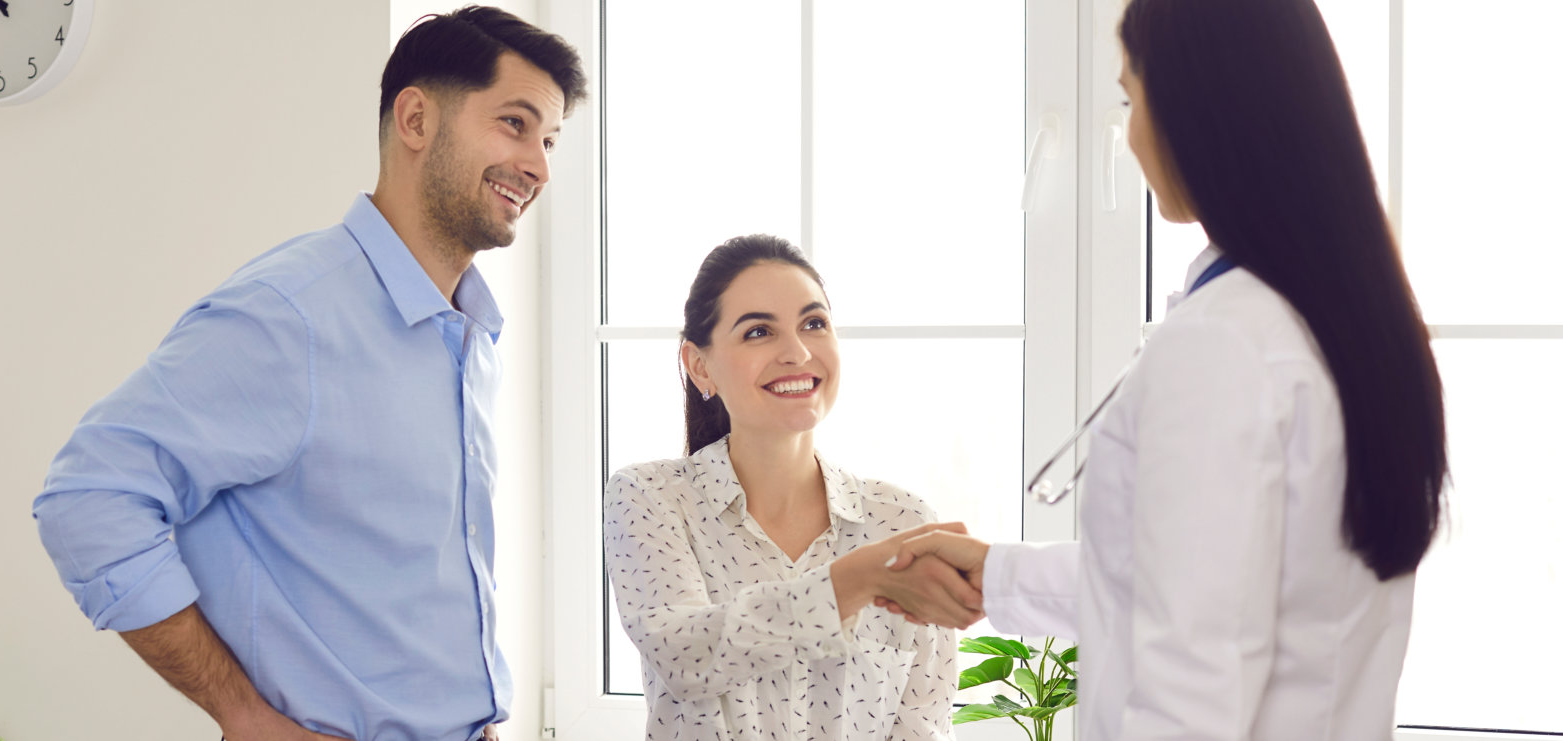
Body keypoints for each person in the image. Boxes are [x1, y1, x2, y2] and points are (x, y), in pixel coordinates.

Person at [884, 1, 1449, 739]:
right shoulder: (1343, 320)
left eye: (1130, 97)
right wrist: (994, 575)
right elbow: (1201, 589)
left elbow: (1188, 686)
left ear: (1199, 109)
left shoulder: (1223, 343)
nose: (1129, 134)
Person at [30, 8, 585, 741]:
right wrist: (242, 714)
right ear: (415, 118)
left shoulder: (469, 334)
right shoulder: (290, 315)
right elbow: (86, 496)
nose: (540, 166)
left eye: (548, 140)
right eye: (515, 125)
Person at [604, 234, 982, 740]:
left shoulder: (902, 519)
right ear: (699, 365)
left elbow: (924, 721)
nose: (798, 352)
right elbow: (687, 657)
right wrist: (857, 580)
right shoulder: (650, 497)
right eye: (759, 332)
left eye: (814, 323)